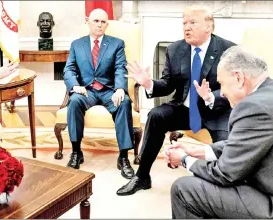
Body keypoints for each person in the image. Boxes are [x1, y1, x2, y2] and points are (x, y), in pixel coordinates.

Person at [116, 5, 236, 195]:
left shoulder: (228, 50)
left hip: (217, 111)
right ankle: (142, 177)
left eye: (192, 22)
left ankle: (223, 189)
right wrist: (149, 84)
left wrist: (211, 96)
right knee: (156, 115)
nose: (186, 27)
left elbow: (235, 86)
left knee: (228, 151)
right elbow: (168, 84)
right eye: (184, 23)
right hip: (185, 109)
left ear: (209, 26)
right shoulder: (175, 49)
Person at [166, 45, 273, 219]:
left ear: (238, 78)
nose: (221, 93)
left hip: (269, 202)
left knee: (185, 190)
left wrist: (185, 160)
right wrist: (199, 151)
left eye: (222, 83)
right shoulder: (267, 94)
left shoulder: (253, 107)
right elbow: (244, 143)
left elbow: (225, 173)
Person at [63, 9, 135, 179]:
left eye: (103, 22)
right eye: (96, 21)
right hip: (86, 91)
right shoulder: (76, 44)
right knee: (73, 101)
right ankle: (76, 152)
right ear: (87, 21)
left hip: (109, 90)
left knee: (124, 102)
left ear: (107, 24)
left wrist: (120, 88)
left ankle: (123, 157)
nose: (99, 25)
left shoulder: (117, 43)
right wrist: (75, 86)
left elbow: (120, 68)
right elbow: (69, 69)